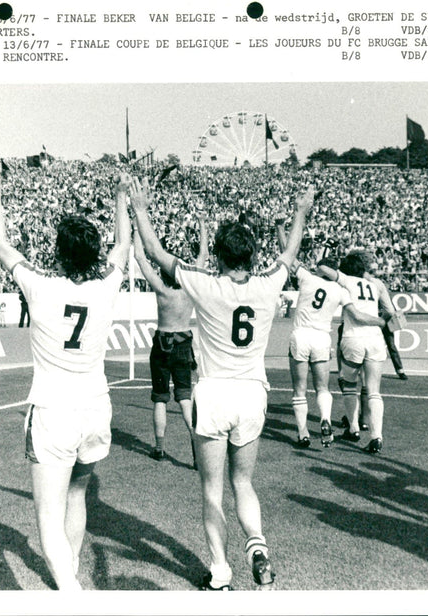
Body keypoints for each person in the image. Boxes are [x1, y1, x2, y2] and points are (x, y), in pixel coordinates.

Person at [131, 175, 314, 591]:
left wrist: (141, 209)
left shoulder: (205, 283)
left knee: (211, 488)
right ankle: (257, 546)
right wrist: (300, 211)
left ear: (217, 254)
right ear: (251, 255)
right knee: (243, 482)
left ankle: (220, 572)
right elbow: (290, 251)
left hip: (213, 395)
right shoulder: (269, 284)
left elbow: (157, 253)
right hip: (252, 393)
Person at [0, 166, 130, 591]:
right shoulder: (107, 285)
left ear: (60, 253)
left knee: (48, 517)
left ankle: (71, 592)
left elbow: (1, 244)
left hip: (53, 410)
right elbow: (124, 245)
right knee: (76, 498)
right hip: (95, 407)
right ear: (94, 253)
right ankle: (69, 577)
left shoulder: (40, 286)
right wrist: (120, 196)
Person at [286, 256, 387, 449]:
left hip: (316, 336)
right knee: (368, 390)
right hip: (348, 339)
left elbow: (291, 258)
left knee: (305, 389)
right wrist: (382, 321)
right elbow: (382, 310)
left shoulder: (328, 280)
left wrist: (281, 229)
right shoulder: (367, 286)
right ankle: (375, 435)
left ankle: (307, 433)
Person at [132, 218, 206, 466]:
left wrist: (136, 231)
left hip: (163, 342)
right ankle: (197, 448)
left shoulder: (162, 290)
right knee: (185, 399)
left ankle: (160, 448)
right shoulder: (190, 290)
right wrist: (203, 226)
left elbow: (142, 260)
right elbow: (202, 258)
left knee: (160, 398)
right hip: (183, 343)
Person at [324, 252, 402, 454]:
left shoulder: (346, 280)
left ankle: (353, 428)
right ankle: (377, 436)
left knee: (349, 385)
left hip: (353, 338)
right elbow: (391, 312)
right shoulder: (376, 284)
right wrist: (379, 319)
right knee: (374, 390)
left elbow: (323, 269)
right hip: (375, 339)